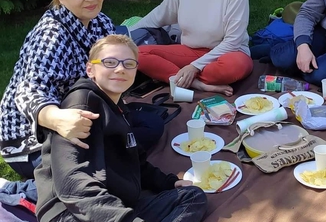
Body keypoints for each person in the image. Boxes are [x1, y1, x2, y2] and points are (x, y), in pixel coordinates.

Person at [0, 0, 164, 180]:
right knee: (106, 163)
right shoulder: (50, 35)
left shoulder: (101, 23)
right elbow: (27, 92)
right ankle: (21, 191)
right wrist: (57, 119)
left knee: (152, 125)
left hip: (88, 113)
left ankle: (114, 156)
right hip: (36, 139)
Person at [34, 34, 208, 222]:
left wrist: (170, 182)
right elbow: (71, 184)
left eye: (128, 64)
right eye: (109, 62)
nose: (120, 69)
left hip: (117, 204)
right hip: (73, 211)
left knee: (192, 197)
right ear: (90, 69)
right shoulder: (81, 105)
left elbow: (137, 163)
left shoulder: (118, 108)